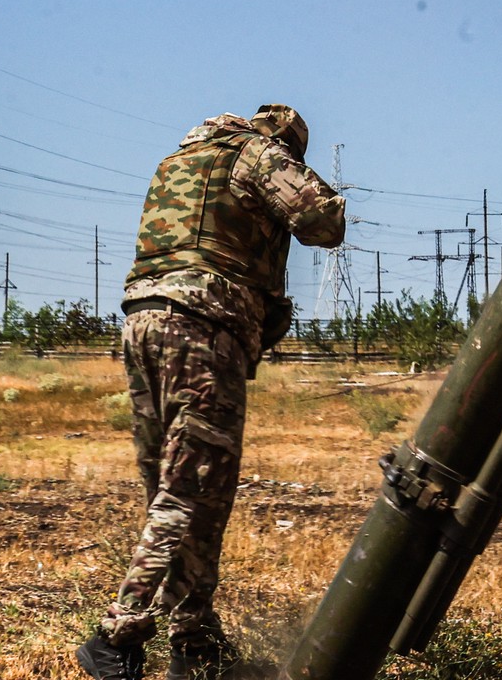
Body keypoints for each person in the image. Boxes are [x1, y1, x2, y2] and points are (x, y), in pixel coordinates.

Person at [76, 105, 345, 680]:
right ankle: (116, 636)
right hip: (204, 325)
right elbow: (324, 222)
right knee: (191, 488)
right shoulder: (259, 154)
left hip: (144, 319)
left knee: (178, 489)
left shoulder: (179, 160)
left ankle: (195, 640)